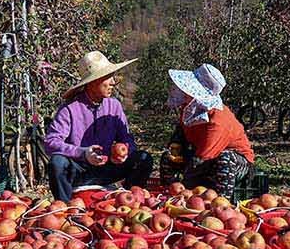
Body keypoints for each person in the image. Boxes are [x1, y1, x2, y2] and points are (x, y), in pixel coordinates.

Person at [44, 50, 153, 201]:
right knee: (57, 163)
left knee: (144, 158)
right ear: (94, 82)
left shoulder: (114, 106)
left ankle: (129, 199)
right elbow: (51, 143)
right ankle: (65, 207)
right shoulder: (69, 109)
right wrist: (82, 153)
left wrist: (123, 153)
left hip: (108, 167)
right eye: (108, 78)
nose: (113, 82)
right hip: (80, 170)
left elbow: (127, 139)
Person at [162, 64, 255, 195]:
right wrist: (175, 148)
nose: (184, 93)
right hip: (201, 155)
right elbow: (181, 132)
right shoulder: (190, 109)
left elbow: (203, 158)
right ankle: (166, 192)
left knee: (225, 158)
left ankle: (222, 201)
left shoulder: (218, 121)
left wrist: (184, 190)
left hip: (233, 161)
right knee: (168, 157)